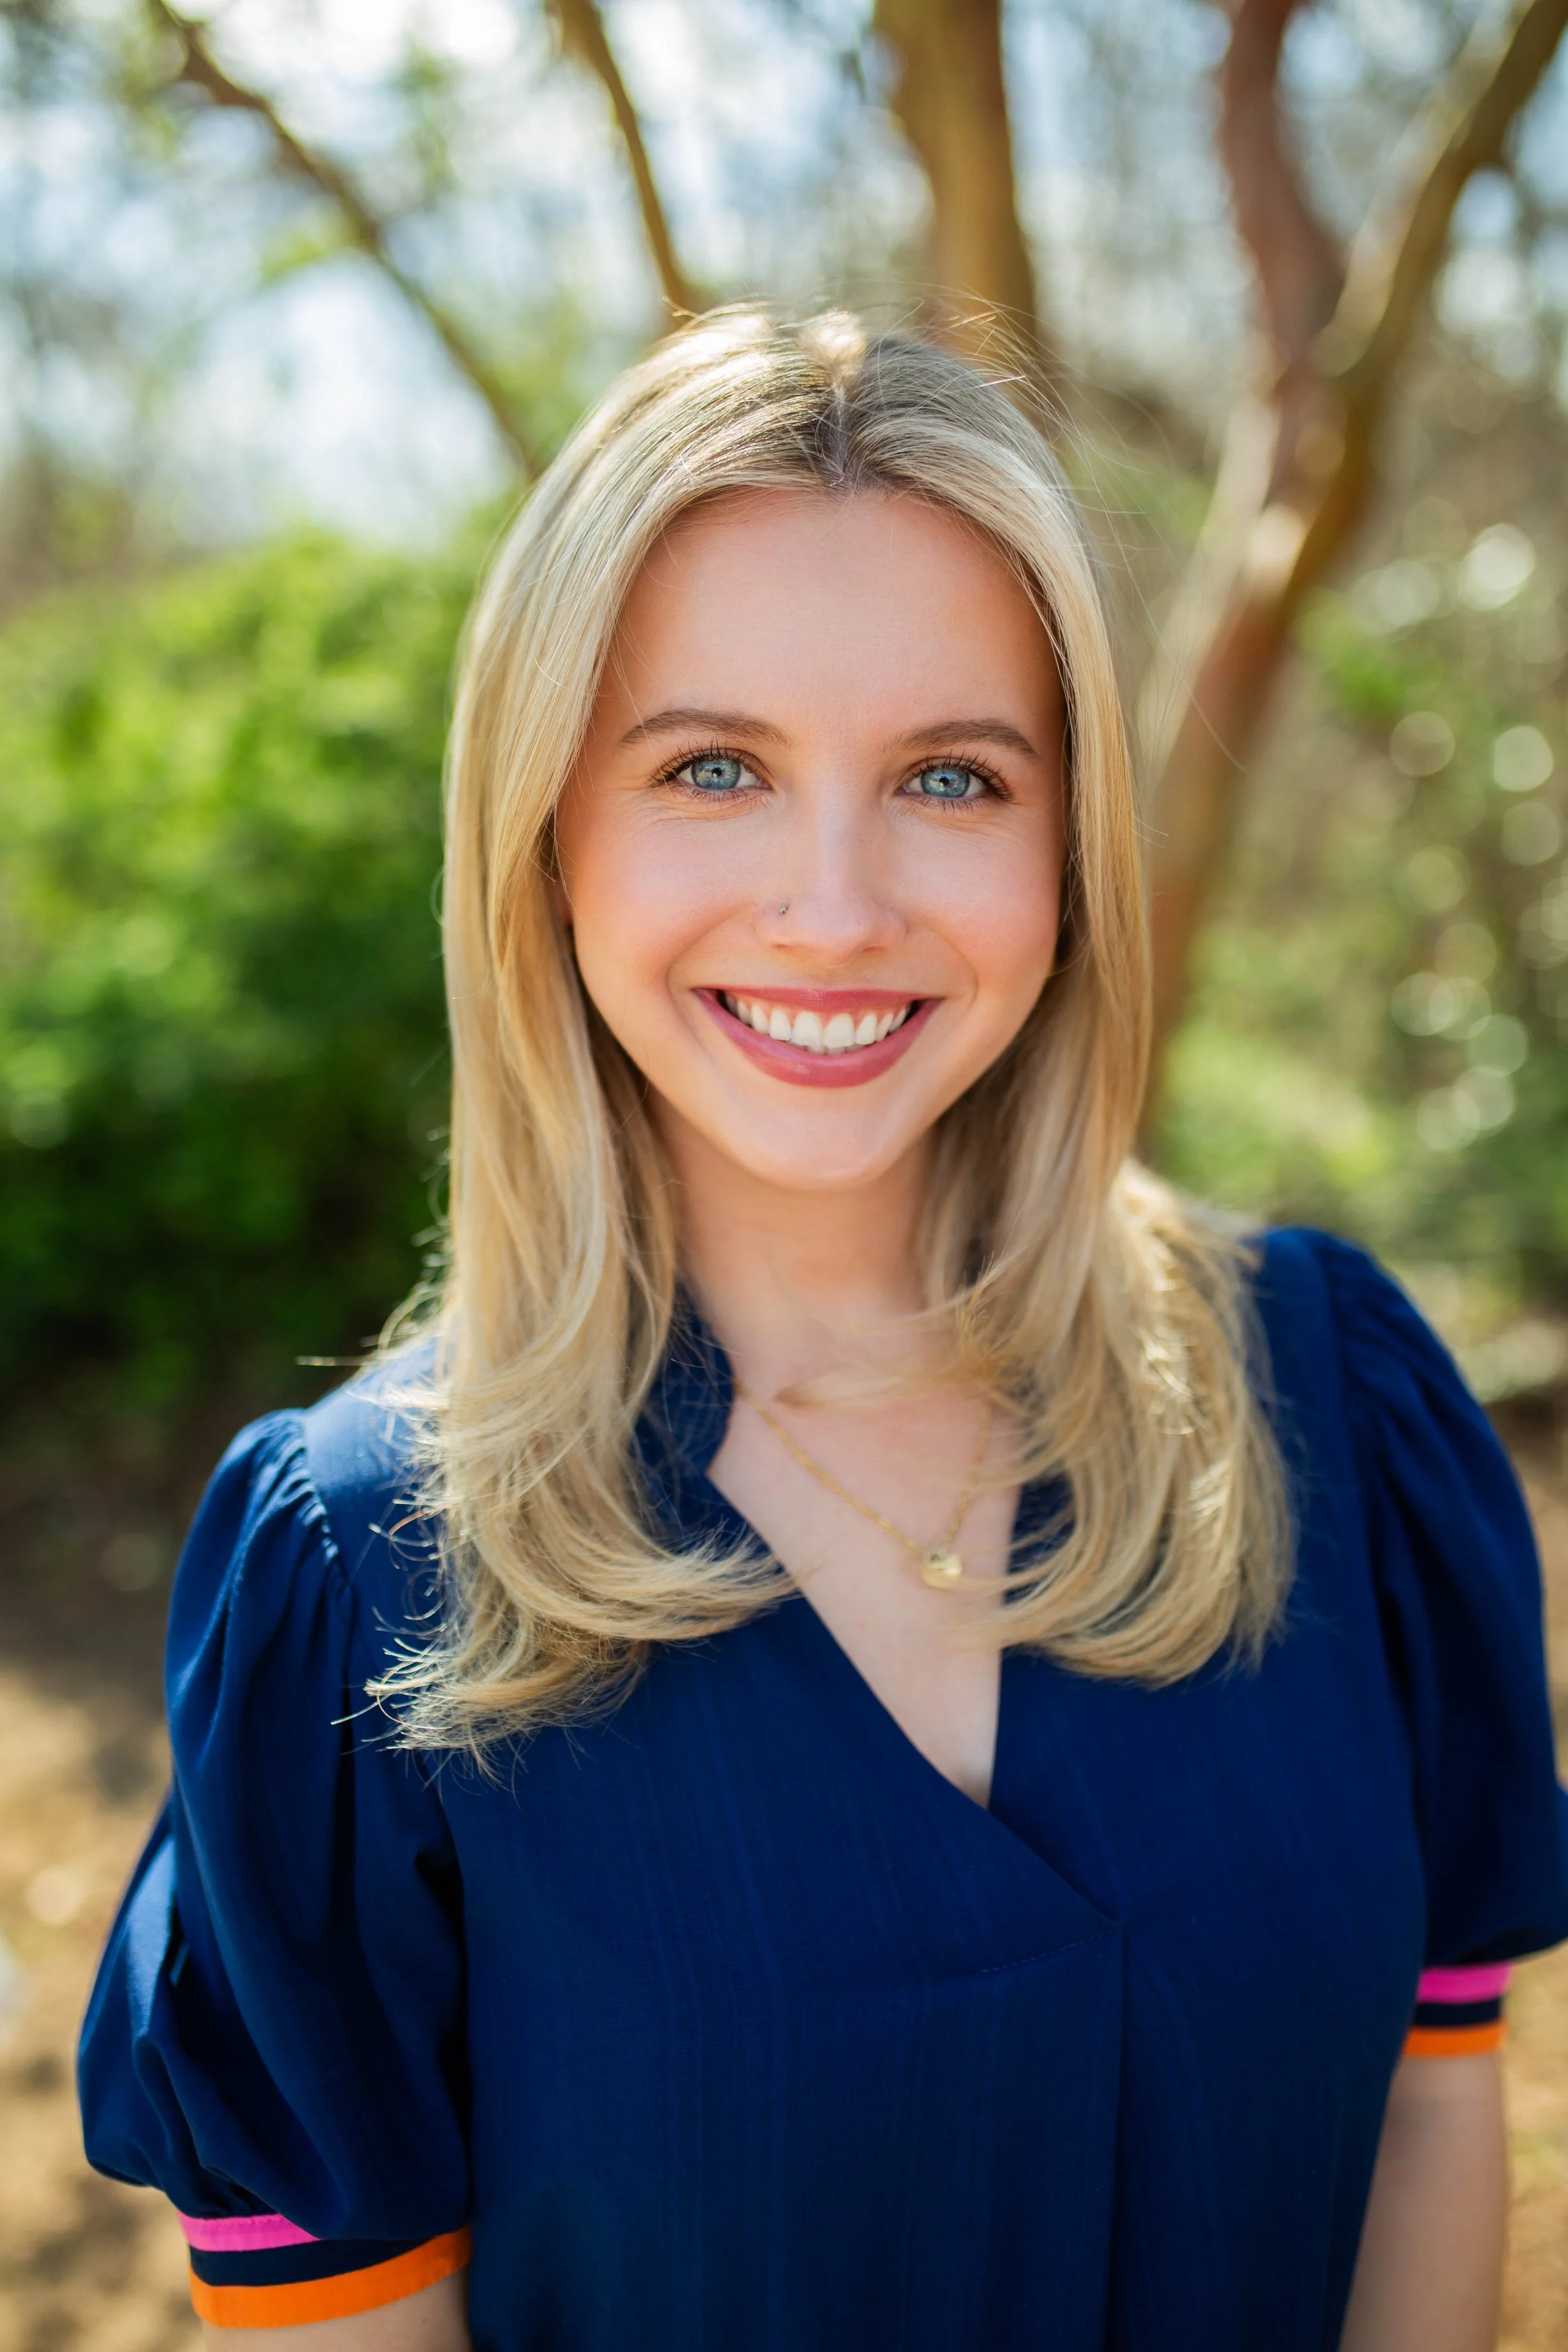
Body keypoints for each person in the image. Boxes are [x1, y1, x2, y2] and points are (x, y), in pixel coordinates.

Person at [79, 310, 1568, 2352]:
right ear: (547, 835)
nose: (838, 905)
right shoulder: (356, 1586)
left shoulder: (1327, 1399)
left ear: (1070, 846)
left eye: (953, 778)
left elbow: (1427, 2117)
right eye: (714, 768)